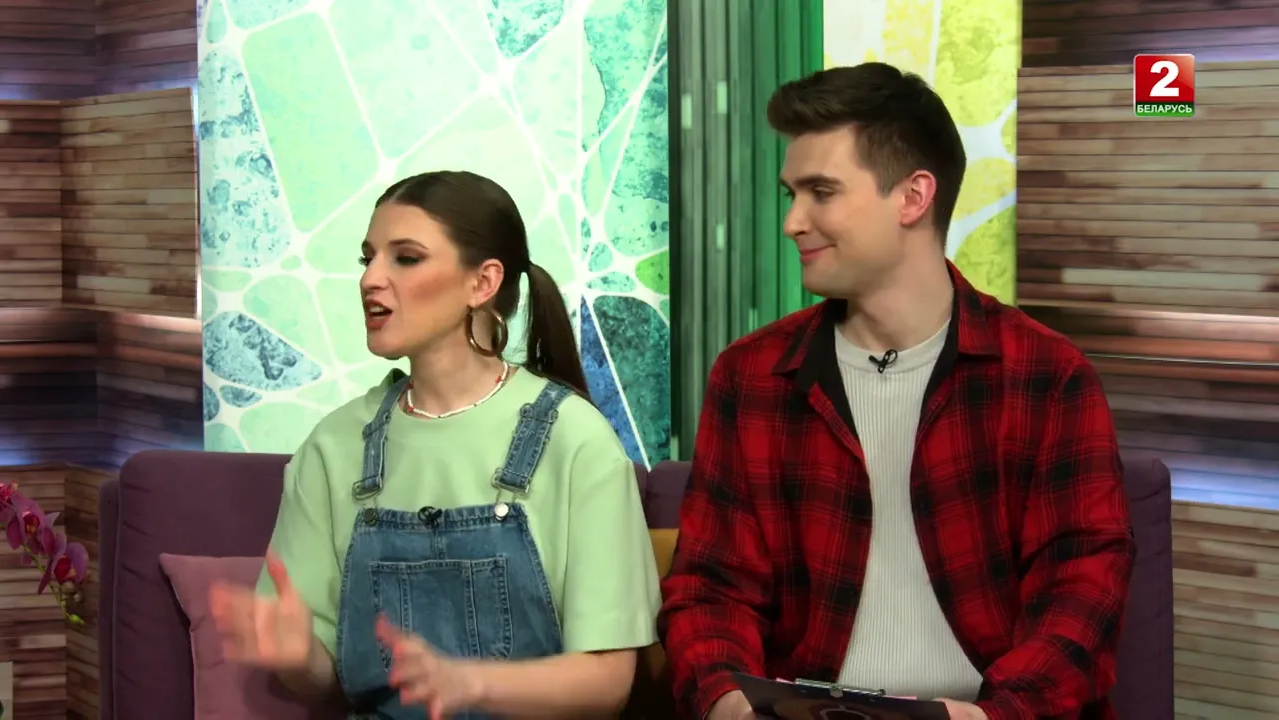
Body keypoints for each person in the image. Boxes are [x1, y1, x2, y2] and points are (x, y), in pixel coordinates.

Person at [658, 63, 1136, 720]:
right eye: (791, 194)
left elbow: (1082, 595)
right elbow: (710, 589)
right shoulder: (751, 376)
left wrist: (993, 716)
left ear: (913, 197)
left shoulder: (1046, 375)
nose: (793, 221)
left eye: (821, 192)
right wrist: (729, 702)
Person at [207, 170, 662, 719]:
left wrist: (466, 682)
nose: (370, 279)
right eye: (367, 258)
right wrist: (298, 657)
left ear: (482, 282)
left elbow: (606, 682)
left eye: (406, 258)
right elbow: (327, 683)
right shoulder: (333, 445)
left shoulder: (577, 440)